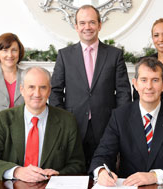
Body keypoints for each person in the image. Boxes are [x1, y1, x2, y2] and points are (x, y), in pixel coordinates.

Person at [89, 57, 163, 187]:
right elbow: (102, 155)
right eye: (143, 80)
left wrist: (154, 176)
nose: (149, 86)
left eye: (155, 80)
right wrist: (101, 171)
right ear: (135, 84)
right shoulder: (120, 116)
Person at [49, 5, 131, 169]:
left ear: (100, 25)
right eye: (83, 23)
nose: (87, 27)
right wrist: (63, 121)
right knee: (73, 174)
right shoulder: (64, 55)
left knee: (104, 173)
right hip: (73, 125)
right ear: (76, 26)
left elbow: (123, 92)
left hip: (106, 126)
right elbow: (55, 91)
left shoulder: (115, 55)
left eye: (92, 22)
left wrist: (118, 123)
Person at [0, 67, 85, 182]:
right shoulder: (3, 119)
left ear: (49, 91)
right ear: (22, 90)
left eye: (43, 87)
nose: (37, 94)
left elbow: (78, 164)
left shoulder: (67, 121)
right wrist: (16, 171)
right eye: (31, 87)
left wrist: (58, 174)